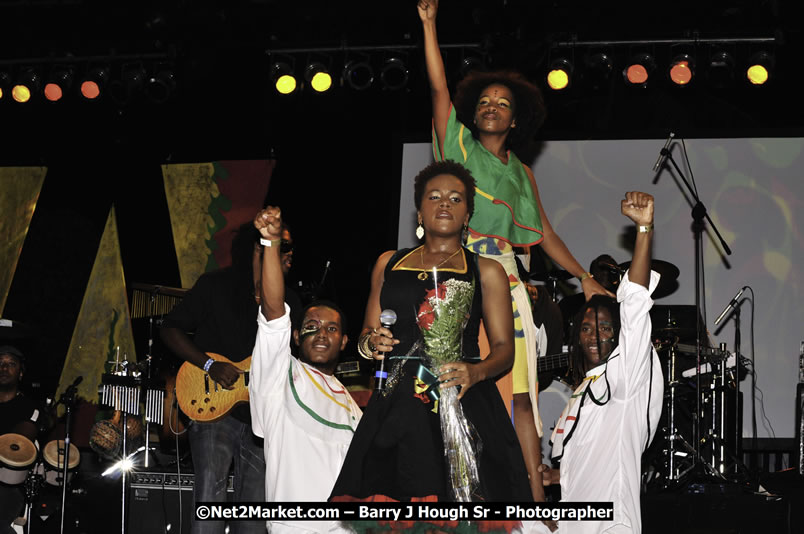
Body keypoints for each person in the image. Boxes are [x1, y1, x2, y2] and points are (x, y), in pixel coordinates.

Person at [418, 0, 612, 503]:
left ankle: (534, 502)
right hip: (455, 271)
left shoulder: (522, 173)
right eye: (484, 100)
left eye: (502, 102)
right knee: (452, 386)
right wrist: (430, 24)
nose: (491, 106)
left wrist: (584, 276)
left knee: (520, 394)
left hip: (504, 278)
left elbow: (543, 232)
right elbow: (438, 89)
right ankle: (454, 493)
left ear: (515, 117)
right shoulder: (457, 142)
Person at [330, 160, 532, 529]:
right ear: (419, 210)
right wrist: (371, 343)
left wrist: (476, 372)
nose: (444, 204)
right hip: (397, 404)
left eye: (456, 199)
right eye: (434, 197)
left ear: (467, 214)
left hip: (463, 400)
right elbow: (366, 336)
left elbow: (505, 349)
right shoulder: (388, 263)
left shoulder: (487, 270)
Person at [160, 221, 296, 534]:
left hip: (264, 417)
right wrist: (209, 365)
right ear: (259, 247)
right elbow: (170, 329)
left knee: (255, 509)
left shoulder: (290, 300)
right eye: (284, 246)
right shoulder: (215, 285)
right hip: (213, 408)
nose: (290, 255)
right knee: (210, 495)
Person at [540, 191, 664, 534]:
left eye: (606, 327)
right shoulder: (583, 390)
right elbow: (588, 457)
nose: (595, 335)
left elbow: (635, 304)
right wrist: (556, 476)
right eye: (586, 328)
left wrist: (644, 231)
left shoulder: (626, 376)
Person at [250, 206, 361, 534]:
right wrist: (271, 243)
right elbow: (273, 311)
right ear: (297, 336)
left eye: (332, 328)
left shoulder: (354, 409)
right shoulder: (280, 375)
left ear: (344, 342)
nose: (322, 334)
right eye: (312, 326)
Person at [0, 346, 39, 534]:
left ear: (20, 373)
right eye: (0, 363)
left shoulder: (28, 408)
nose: (4, 368)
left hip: (8, 486)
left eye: (11, 364)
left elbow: (17, 445)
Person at [559, 255, 622, 345]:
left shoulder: (624, 303)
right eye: (601, 269)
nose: (605, 273)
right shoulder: (570, 303)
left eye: (610, 270)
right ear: (591, 275)